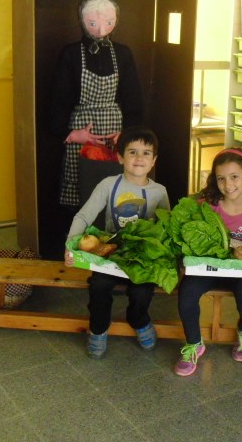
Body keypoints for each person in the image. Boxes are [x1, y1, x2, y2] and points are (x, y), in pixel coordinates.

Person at [64, 126, 170, 358]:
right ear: (120, 157)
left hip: (142, 257)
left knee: (142, 292)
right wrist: (70, 246)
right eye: (132, 152)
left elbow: (166, 229)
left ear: (153, 161)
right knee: (99, 286)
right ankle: (98, 329)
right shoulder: (108, 185)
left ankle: (139, 320)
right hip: (110, 253)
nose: (139, 158)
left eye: (146, 153)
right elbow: (84, 216)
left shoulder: (160, 192)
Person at [174, 148, 242, 376]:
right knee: (186, 294)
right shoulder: (205, 206)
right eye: (221, 179)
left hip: (241, 273)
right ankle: (194, 343)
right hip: (208, 268)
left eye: (234, 176)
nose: (228, 184)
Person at [50, 0, 143, 219]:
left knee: (116, 189)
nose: (101, 30)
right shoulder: (71, 53)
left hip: (115, 131)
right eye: (93, 23)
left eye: (108, 22)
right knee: (81, 184)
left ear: (116, 21)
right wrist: (71, 134)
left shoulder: (123, 53)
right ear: (82, 22)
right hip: (82, 130)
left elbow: (133, 97)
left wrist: (127, 135)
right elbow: (58, 98)